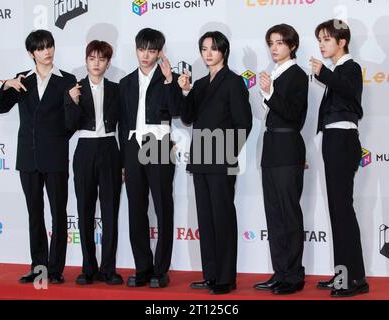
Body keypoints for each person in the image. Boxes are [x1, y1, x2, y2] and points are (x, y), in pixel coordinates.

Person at [0, 29, 77, 284]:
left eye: (49, 46)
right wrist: (6, 85)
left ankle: (55, 269)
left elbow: (72, 121)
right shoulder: (22, 80)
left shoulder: (68, 79)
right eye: (40, 48)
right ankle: (39, 266)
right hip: (28, 156)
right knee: (34, 213)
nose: (47, 52)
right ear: (31, 53)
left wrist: (59, 136)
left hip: (55, 155)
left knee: (58, 213)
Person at [178, 31, 252, 295]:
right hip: (199, 161)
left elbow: (244, 123)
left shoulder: (233, 82)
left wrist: (225, 154)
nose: (208, 53)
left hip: (220, 161)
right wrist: (183, 91)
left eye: (213, 48)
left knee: (222, 219)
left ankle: (225, 278)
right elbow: (186, 117)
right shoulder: (199, 84)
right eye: (204, 48)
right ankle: (210, 274)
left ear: (224, 51)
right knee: (206, 220)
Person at [119, 28, 182, 288]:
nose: (146, 55)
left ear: (160, 52)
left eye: (152, 50)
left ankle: (160, 269)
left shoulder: (171, 78)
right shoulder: (125, 83)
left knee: (163, 207)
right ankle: (142, 267)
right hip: (133, 146)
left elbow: (179, 112)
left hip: (159, 144)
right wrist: (124, 160)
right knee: (136, 209)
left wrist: (170, 82)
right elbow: (122, 125)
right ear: (136, 49)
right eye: (142, 49)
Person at [311, 19, 369, 297]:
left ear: (342, 41)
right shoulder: (337, 70)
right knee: (337, 210)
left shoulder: (351, 68)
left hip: (343, 139)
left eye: (326, 39)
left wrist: (324, 74)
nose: (321, 44)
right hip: (333, 139)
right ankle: (344, 275)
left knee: (342, 210)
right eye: (320, 40)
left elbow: (348, 92)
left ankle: (355, 280)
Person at [253, 24, 308, 295]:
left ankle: (295, 275)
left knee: (289, 214)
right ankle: (281, 272)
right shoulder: (274, 73)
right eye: (271, 43)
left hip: (288, 147)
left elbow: (294, 115)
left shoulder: (297, 75)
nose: (274, 48)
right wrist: (268, 91)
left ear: (292, 46)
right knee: (274, 215)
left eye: (279, 43)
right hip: (271, 147)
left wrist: (270, 92)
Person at [65, 40, 123, 285]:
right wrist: (73, 102)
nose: (96, 63)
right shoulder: (74, 89)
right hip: (85, 149)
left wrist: (123, 162)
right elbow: (68, 127)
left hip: (110, 148)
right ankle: (88, 267)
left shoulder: (117, 89)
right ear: (86, 60)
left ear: (108, 63)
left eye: (101, 59)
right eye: (92, 58)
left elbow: (126, 124)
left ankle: (109, 269)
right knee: (84, 210)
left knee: (110, 212)